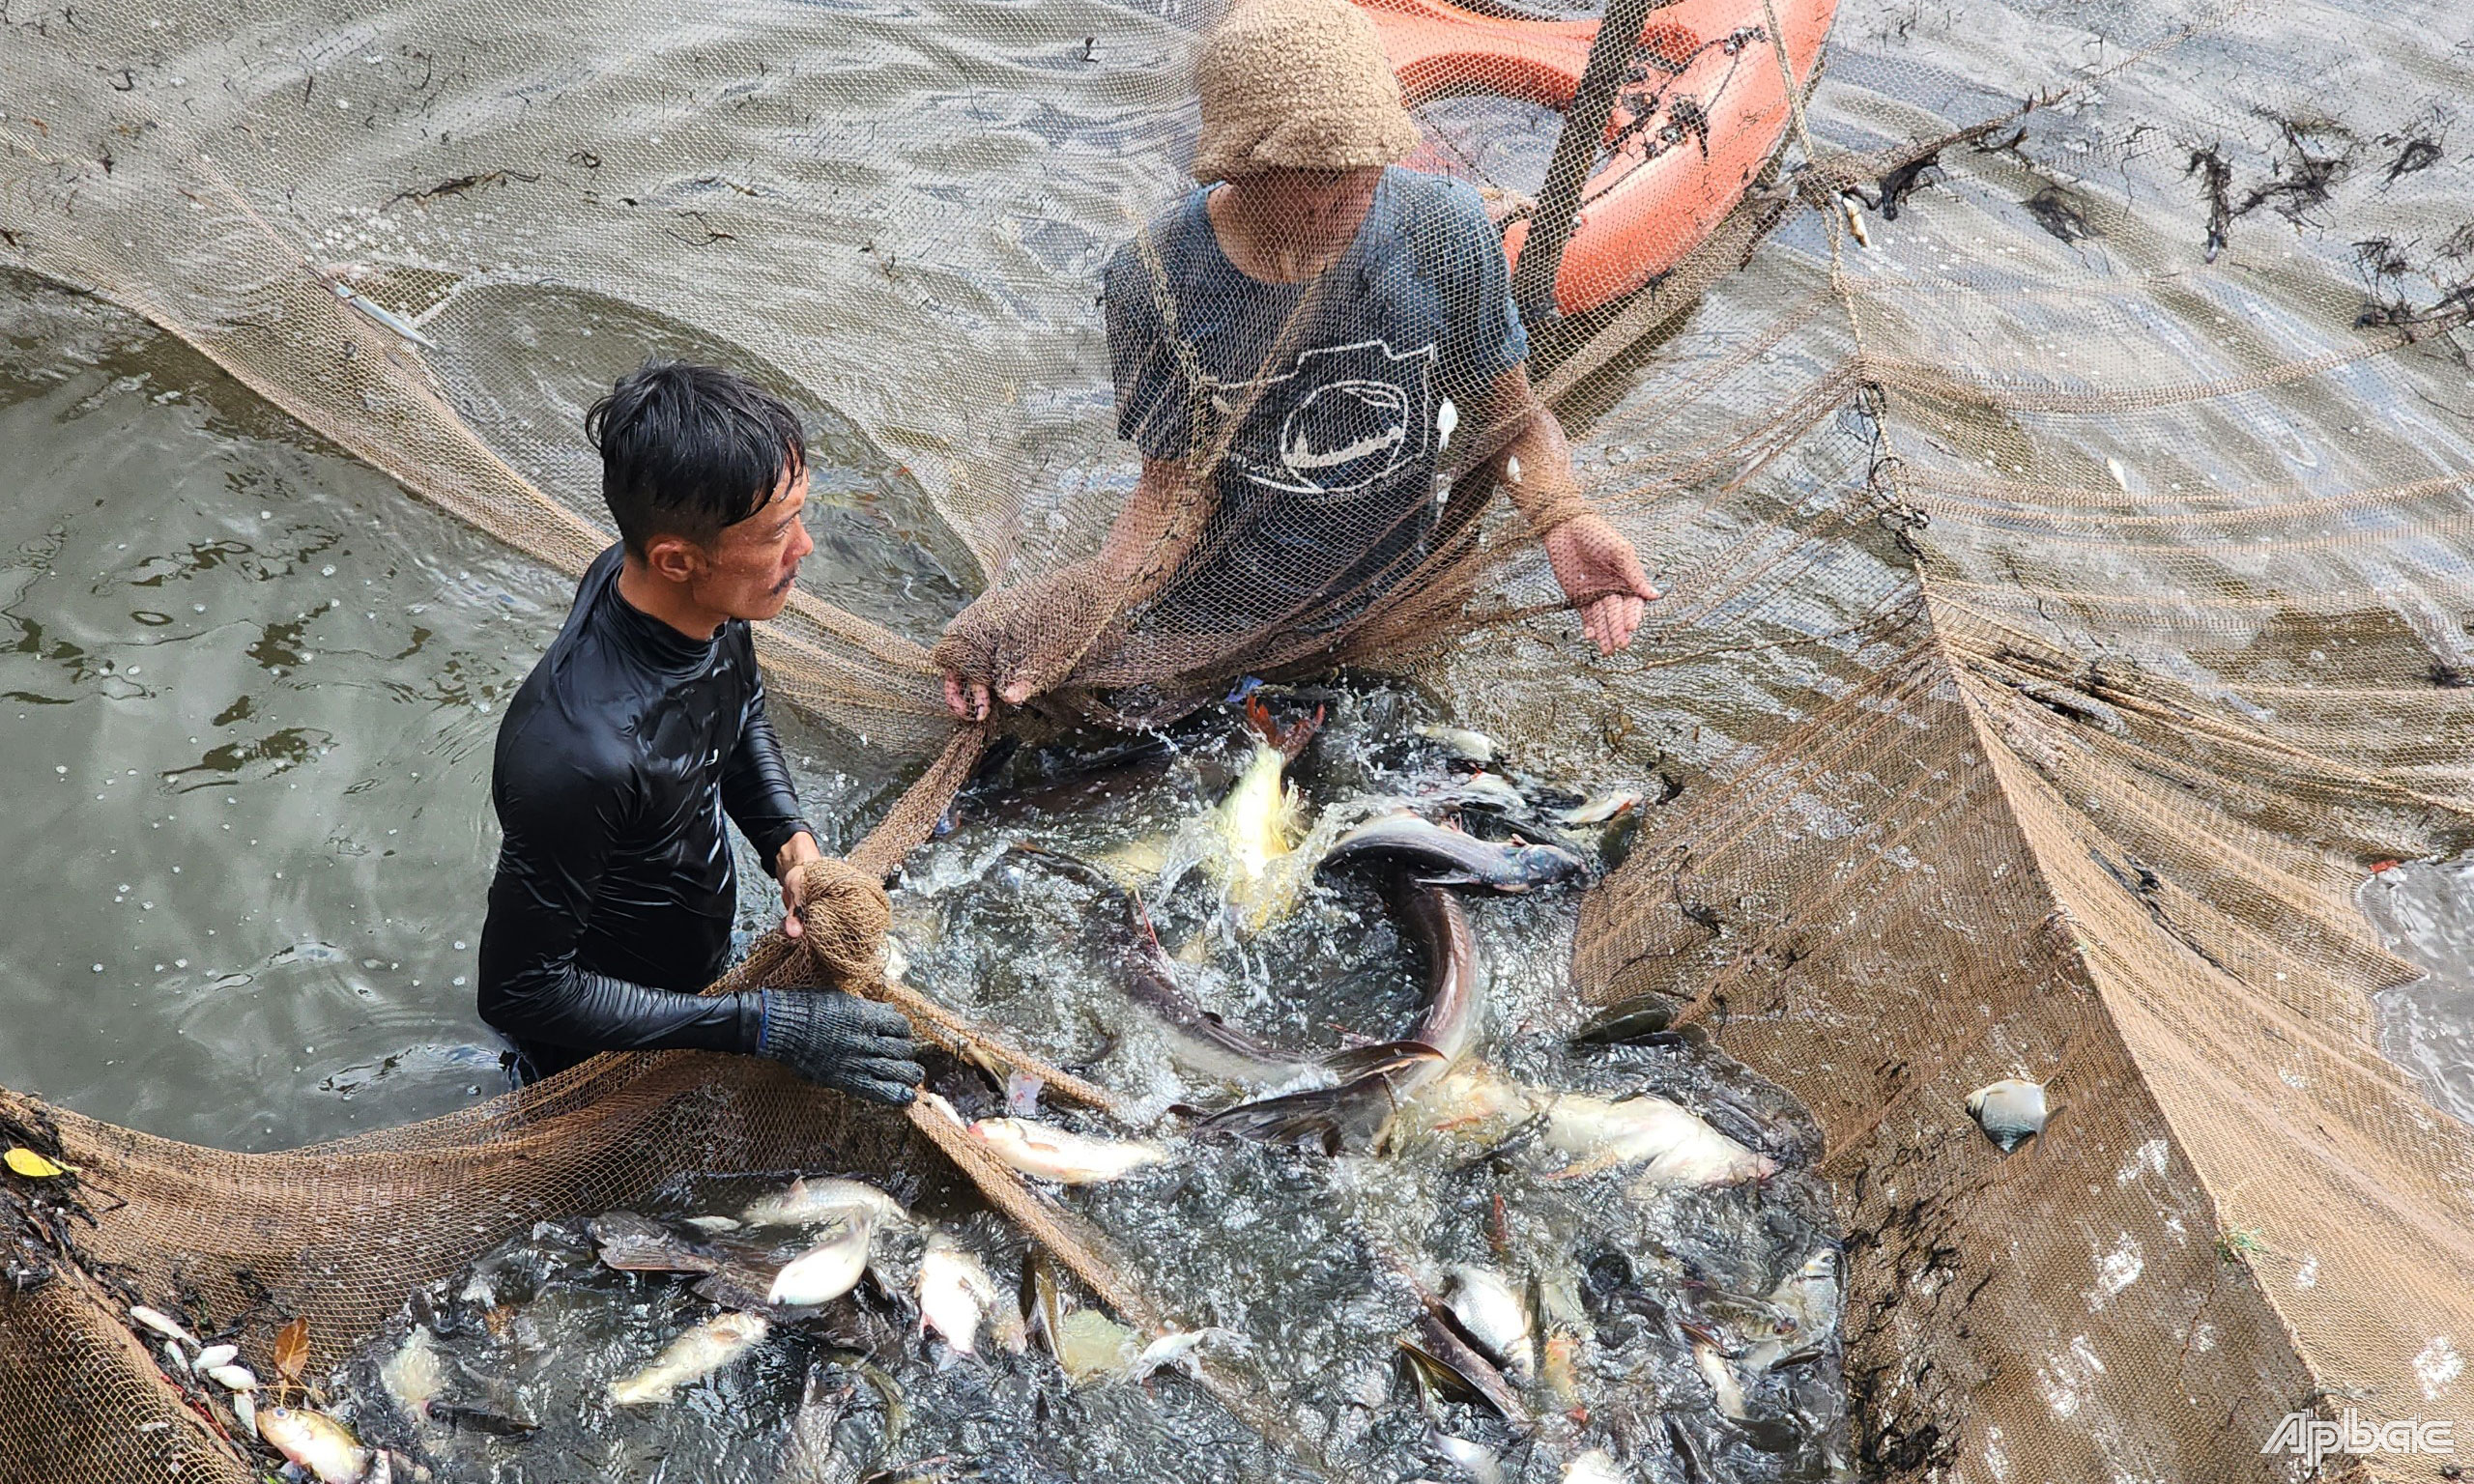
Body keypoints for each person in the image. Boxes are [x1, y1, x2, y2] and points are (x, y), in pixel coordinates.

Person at [935, 0, 1658, 723]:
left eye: (1364, 171)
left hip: (1394, 590)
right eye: (1313, 175)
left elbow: (1508, 420)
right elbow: (1171, 494)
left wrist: (1563, 517)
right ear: (1244, 167)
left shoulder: (1443, 231)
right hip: (1223, 607)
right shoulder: (1155, 280)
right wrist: (1084, 602)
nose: (1342, 196)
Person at [477, 360, 921, 1102]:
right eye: (779, 532)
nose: (804, 549)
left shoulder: (692, 603)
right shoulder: (577, 759)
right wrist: (762, 1025)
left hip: (702, 994)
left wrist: (790, 845)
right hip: (590, 1065)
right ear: (676, 559)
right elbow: (521, 993)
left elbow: (736, 705)